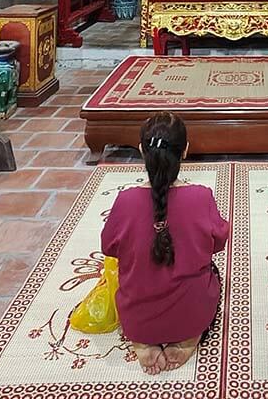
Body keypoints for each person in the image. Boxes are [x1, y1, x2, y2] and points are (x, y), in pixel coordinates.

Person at [101, 112, 230, 375]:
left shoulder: (125, 200)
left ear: (140, 150)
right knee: (212, 275)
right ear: (185, 151)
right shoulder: (201, 197)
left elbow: (109, 248)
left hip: (137, 317)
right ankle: (186, 339)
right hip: (192, 313)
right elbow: (218, 241)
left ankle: (143, 340)